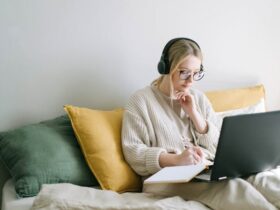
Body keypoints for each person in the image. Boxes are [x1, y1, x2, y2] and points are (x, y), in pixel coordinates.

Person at [121, 37, 280, 210]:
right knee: (235, 189)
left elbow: (219, 147)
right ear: (166, 68)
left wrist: (195, 115)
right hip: (163, 180)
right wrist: (175, 159)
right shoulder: (140, 101)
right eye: (184, 72)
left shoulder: (198, 98)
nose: (191, 81)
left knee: (265, 181)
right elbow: (133, 152)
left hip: (204, 171)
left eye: (196, 73)